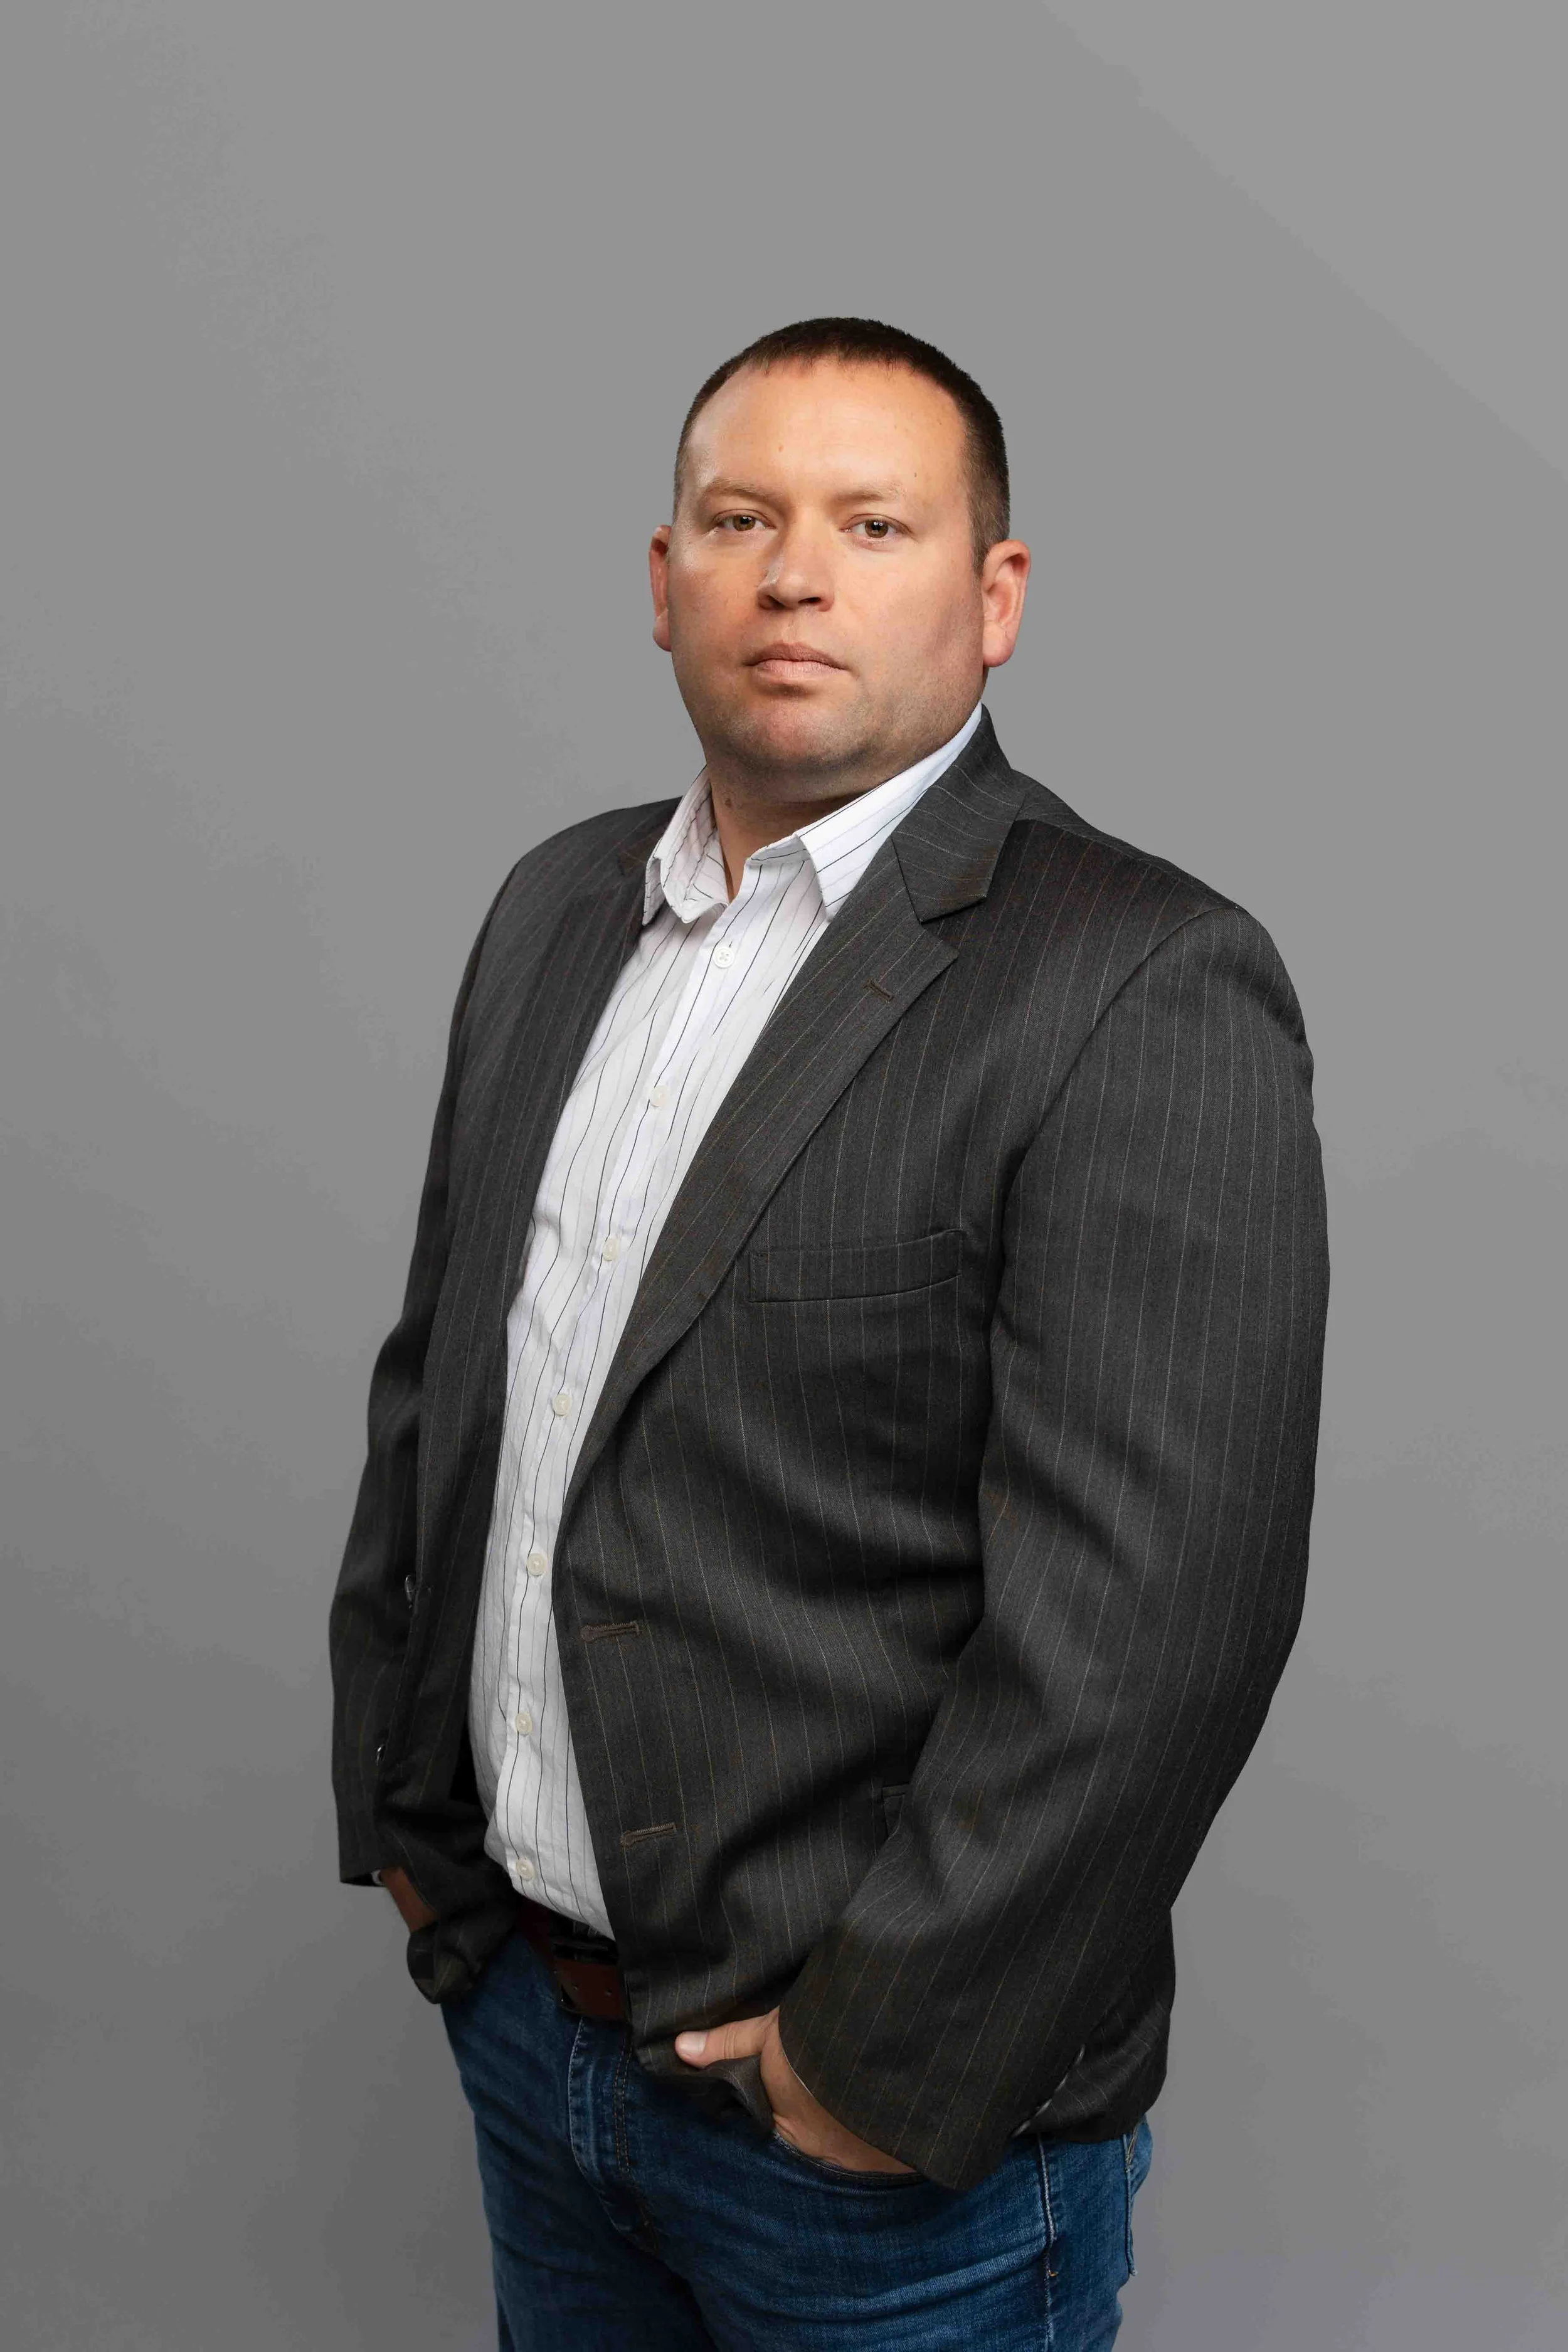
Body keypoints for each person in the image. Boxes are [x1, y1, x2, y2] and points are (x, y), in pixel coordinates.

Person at [329, 315, 1330, 2348]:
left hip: (863, 2126)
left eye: (872, 523)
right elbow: (452, 1382)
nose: (795, 571)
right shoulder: (552, 907)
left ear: (994, 597)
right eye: (741, 517)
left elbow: (1154, 1630)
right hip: (537, 2035)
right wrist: (407, 1816)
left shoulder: (1140, 981)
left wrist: (879, 2061)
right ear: (664, 578)